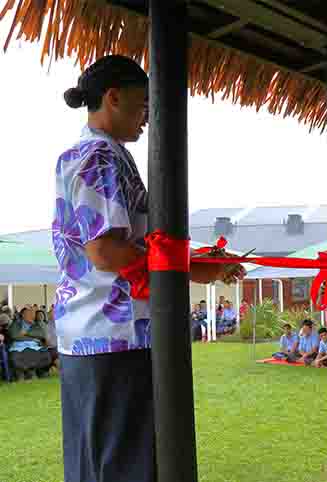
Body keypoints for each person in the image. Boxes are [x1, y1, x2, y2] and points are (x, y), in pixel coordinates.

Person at [54, 55, 243, 482]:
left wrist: (198, 266)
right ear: (113, 97)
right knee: (124, 465)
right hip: (113, 337)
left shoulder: (105, 155)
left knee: (105, 462)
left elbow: (137, 246)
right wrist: (190, 270)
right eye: (142, 106)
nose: (146, 118)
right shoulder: (98, 156)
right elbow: (105, 251)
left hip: (100, 335)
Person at [7, 307, 53, 380]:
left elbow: (41, 334)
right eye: (28, 314)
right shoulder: (16, 324)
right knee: (17, 355)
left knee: (44, 355)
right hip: (18, 346)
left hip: (34, 346)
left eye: (32, 314)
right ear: (23, 315)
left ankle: (30, 372)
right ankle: (26, 373)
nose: (31, 316)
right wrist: (33, 338)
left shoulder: (36, 325)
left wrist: (25, 333)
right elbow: (14, 335)